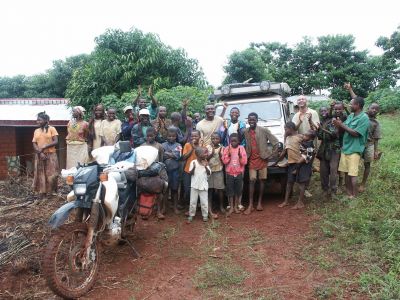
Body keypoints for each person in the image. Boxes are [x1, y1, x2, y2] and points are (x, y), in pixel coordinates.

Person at [333, 96, 369, 198]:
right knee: (346, 172)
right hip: (345, 148)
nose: (349, 105)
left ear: (357, 105)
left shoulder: (364, 118)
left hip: (355, 149)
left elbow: (356, 133)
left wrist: (341, 125)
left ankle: (354, 195)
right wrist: (337, 125)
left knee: (352, 174)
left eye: (351, 104)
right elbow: (343, 128)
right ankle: (348, 192)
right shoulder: (351, 116)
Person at [244, 112, 279, 214]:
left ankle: (259, 203)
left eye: (253, 119)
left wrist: (272, 154)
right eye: (250, 120)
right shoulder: (246, 131)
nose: (251, 121)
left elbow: (276, 142)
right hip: (251, 159)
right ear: (248, 121)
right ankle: (250, 205)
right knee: (252, 180)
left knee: (262, 180)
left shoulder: (263, 130)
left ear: (257, 120)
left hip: (263, 159)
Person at [275, 122, 315, 209]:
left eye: (286, 129)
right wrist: (276, 161)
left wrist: (310, 163)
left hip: (301, 163)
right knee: (289, 183)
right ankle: (286, 201)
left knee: (301, 184)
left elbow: (310, 149)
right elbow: (284, 151)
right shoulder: (287, 138)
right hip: (291, 164)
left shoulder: (301, 137)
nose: (285, 130)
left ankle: (300, 202)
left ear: (290, 128)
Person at [292, 95, 320, 198]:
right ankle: (301, 187)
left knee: (308, 166)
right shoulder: (296, 115)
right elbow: (294, 130)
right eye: (299, 99)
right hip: (300, 145)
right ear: (297, 102)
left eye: (303, 99)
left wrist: (310, 120)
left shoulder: (313, 113)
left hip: (311, 145)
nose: (301, 101)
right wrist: (300, 120)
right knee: (300, 165)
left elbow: (317, 128)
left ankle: (306, 188)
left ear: (306, 101)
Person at [32, 112, 59, 198]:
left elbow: (56, 141)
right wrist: (40, 153)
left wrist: (45, 146)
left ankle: (51, 192)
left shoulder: (52, 129)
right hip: (40, 155)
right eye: (37, 120)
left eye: (40, 120)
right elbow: (34, 143)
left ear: (46, 120)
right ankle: (42, 192)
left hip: (51, 155)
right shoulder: (36, 131)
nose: (38, 122)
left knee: (51, 173)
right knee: (40, 174)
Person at [317, 106, 341, 197]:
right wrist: (317, 128)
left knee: (333, 170)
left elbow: (334, 134)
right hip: (324, 148)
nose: (323, 112)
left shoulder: (333, 120)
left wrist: (322, 129)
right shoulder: (321, 122)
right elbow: (319, 136)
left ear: (329, 111)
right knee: (323, 171)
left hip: (334, 148)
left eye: (325, 110)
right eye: (321, 111)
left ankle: (333, 190)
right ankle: (325, 189)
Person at [221, 133, 247, 216]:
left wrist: (240, 157)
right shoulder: (227, 149)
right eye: (232, 141)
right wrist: (228, 155)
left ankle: (236, 206)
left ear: (239, 141)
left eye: (235, 141)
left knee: (238, 191)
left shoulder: (241, 148)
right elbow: (224, 161)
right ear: (229, 141)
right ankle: (231, 207)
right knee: (230, 191)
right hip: (229, 174)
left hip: (239, 173)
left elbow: (244, 162)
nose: (233, 142)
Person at [359, 102, 381, 192]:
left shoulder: (376, 123)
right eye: (372, 108)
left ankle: (363, 183)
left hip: (369, 145)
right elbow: (356, 99)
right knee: (354, 161)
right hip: (358, 143)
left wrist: (375, 151)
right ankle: (350, 180)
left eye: (376, 109)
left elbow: (376, 138)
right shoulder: (361, 115)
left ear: (378, 111)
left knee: (367, 164)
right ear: (368, 108)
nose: (374, 110)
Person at [187, 147, 211, 223]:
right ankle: (191, 215)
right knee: (193, 202)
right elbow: (190, 173)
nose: (206, 154)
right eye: (204, 153)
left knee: (204, 202)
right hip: (194, 185)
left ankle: (205, 215)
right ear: (198, 154)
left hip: (203, 185)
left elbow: (209, 173)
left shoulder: (206, 162)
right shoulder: (193, 162)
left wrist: (205, 166)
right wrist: (193, 168)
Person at [162, 127, 182, 215]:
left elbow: (178, 156)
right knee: (165, 190)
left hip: (175, 171)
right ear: (166, 136)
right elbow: (162, 156)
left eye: (173, 136)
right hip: (165, 171)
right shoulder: (162, 145)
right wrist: (171, 154)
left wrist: (168, 154)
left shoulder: (179, 145)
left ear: (176, 137)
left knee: (174, 189)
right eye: (169, 136)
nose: (171, 138)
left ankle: (175, 207)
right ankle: (164, 208)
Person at [206, 132, 225, 218]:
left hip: (219, 171)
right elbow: (205, 159)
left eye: (217, 138)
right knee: (210, 190)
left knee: (220, 189)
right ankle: (209, 208)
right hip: (209, 171)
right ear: (211, 139)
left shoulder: (222, 148)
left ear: (220, 139)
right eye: (213, 138)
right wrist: (212, 152)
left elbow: (224, 161)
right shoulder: (207, 147)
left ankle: (221, 206)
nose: (215, 140)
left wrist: (221, 155)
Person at [182, 130, 201, 207]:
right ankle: (191, 205)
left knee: (197, 189)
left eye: (196, 136)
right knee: (187, 189)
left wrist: (196, 148)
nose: (194, 138)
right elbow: (184, 157)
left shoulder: (201, 145)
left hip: (199, 171)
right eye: (192, 136)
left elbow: (203, 157)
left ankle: (197, 205)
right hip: (188, 170)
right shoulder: (187, 145)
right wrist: (192, 148)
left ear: (199, 137)